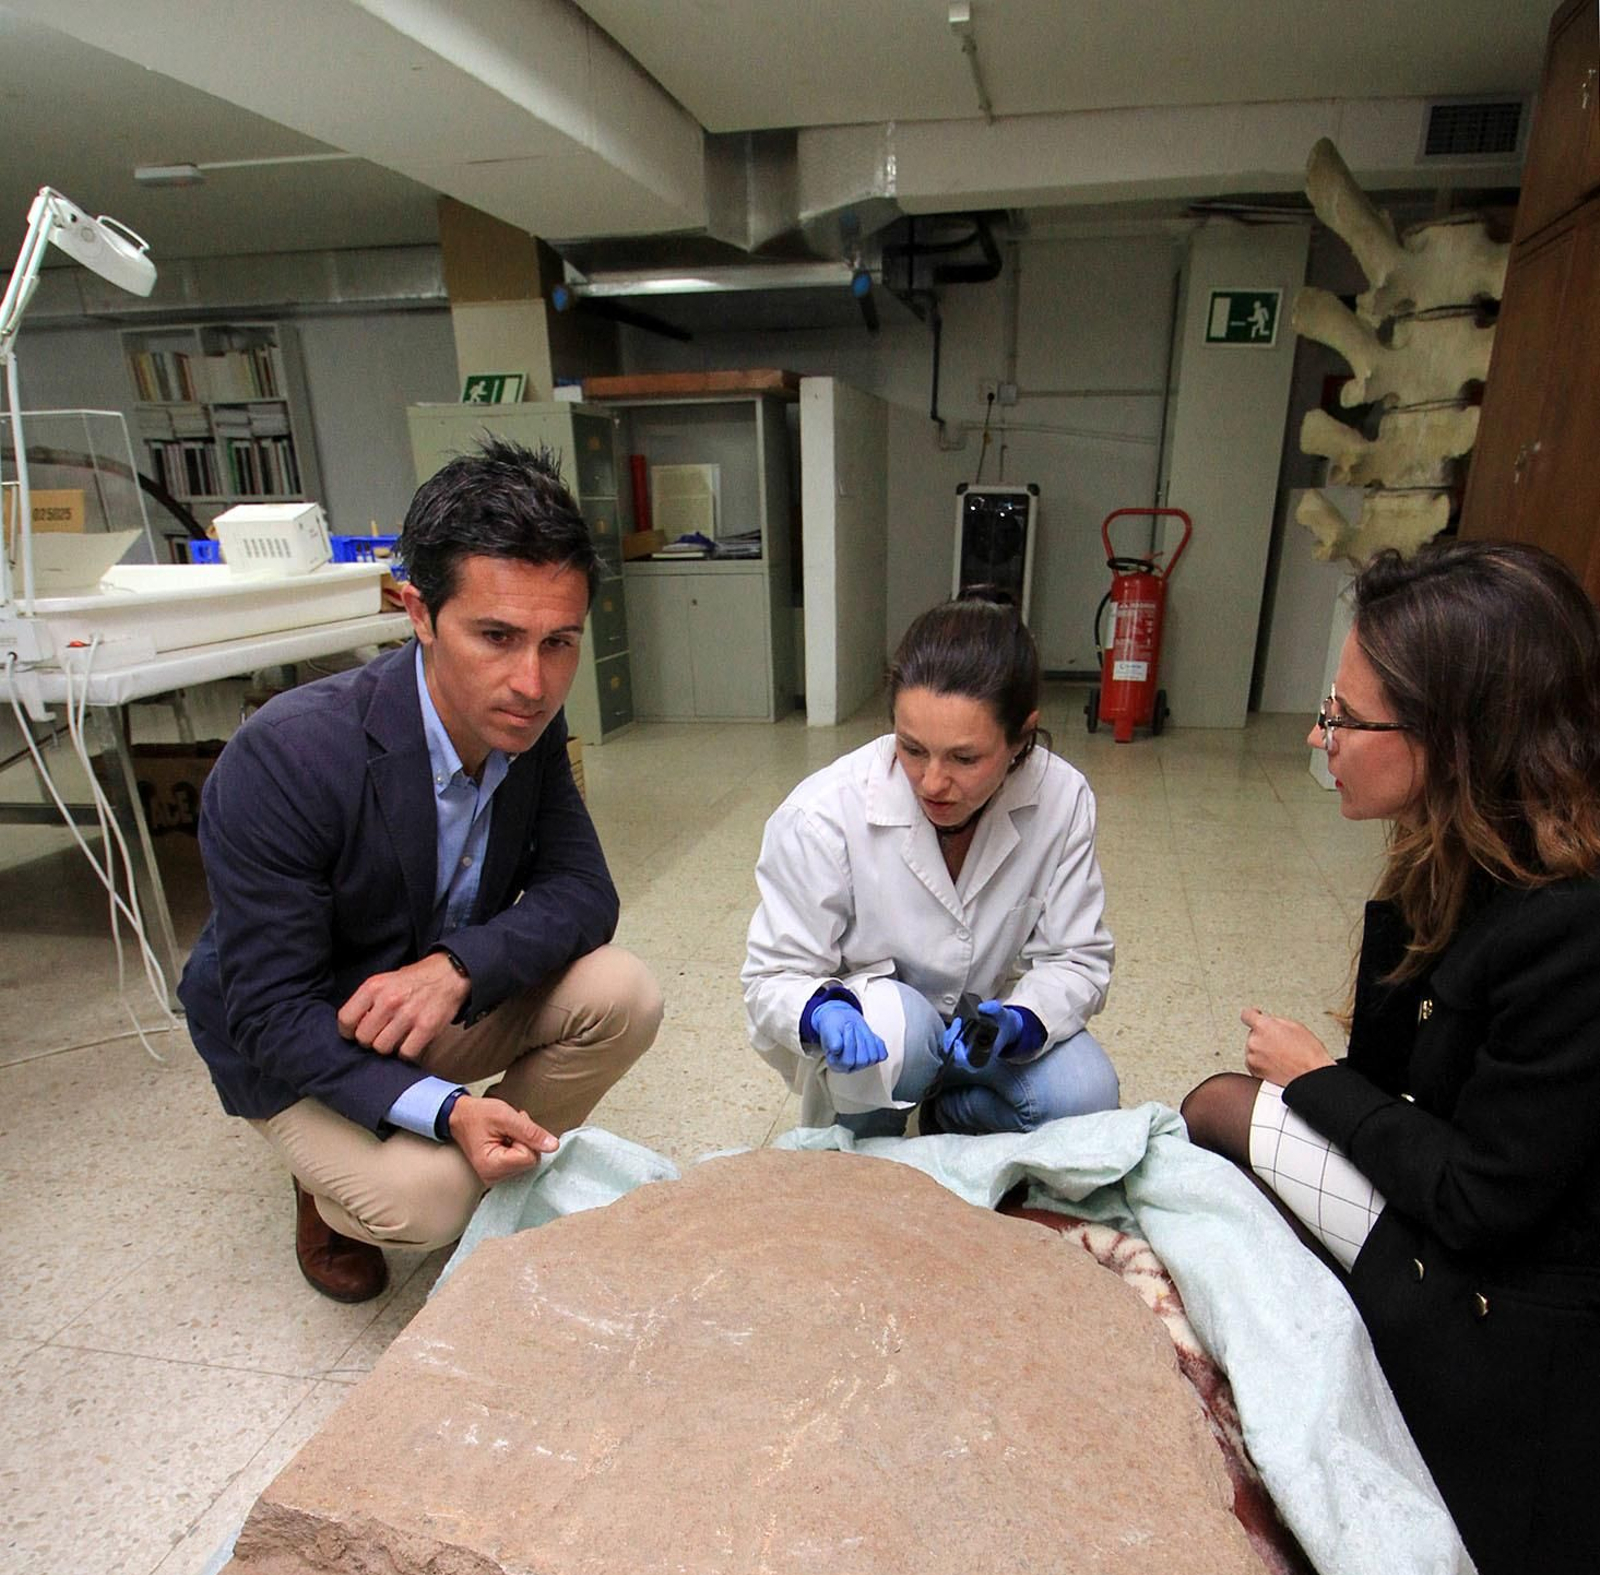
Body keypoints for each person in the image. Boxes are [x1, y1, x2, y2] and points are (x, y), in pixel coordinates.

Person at [1182, 542, 1600, 1575]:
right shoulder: (1463, 849)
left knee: (1227, 1115)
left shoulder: (1570, 926)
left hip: (1504, 1318)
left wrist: (1318, 1083)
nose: (1321, 739)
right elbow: (1400, 1073)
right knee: (1218, 1115)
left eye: (1345, 717)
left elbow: (1481, 1201)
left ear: (1455, 740)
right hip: (1468, 1235)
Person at [180, 438, 662, 1302]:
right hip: (300, 1033)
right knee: (428, 1203)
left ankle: (470, 1143)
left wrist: (457, 968)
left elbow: (584, 894)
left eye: (560, 642)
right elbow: (269, 1009)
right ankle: (336, 1187)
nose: (533, 681)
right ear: (417, 612)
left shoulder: (529, 725)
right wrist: (445, 1110)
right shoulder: (286, 757)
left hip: (416, 994)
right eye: (496, 636)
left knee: (624, 995)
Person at [742, 589, 1118, 1137]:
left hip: (979, 1036)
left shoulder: (1062, 797)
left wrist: (1022, 1020)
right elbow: (772, 975)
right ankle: (866, 1140)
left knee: (1085, 1097)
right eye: (911, 748)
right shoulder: (821, 813)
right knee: (901, 1030)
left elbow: (1077, 958)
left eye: (965, 758)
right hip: (877, 1038)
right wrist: (822, 1011)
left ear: (1021, 737)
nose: (933, 782)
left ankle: (951, 1113)